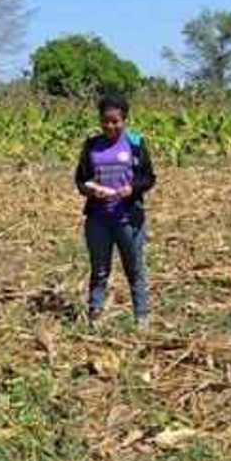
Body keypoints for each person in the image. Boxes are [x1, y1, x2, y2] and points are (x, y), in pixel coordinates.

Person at [74, 93, 156, 330]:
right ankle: (95, 317)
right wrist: (90, 190)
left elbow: (149, 177)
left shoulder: (136, 142)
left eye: (115, 121)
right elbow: (80, 179)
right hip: (98, 219)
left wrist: (132, 189)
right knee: (100, 269)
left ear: (124, 120)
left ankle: (141, 318)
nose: (110, 126)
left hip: (128, 218)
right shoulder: (91, 145)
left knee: (134, 268)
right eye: (105, 121)